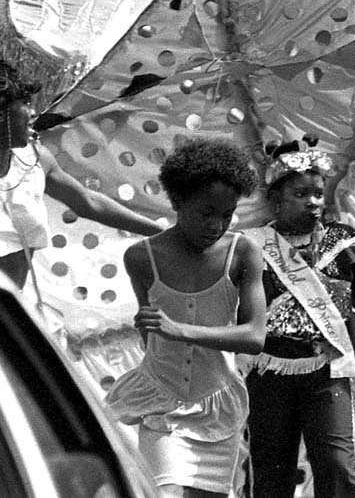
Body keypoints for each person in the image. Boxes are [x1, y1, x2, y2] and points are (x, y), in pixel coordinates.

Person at [245, 138, 355, 498]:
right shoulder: (250, 245)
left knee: (338, 465)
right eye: (300, 193)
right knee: (270, 469)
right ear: (276, 197)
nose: (313, 202)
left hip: (327, 371)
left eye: (318, 193)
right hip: (268, 372)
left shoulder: (346, 242)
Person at [104, 137, 268, 498]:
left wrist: (180, 330)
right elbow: (153, 336)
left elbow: (256, 336)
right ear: (178, 202)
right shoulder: (141, 257)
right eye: (206, 213)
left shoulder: (243, 251)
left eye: (227, 214)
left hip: (217, 407)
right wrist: (156, 329)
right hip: (161, 400)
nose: (217, 225)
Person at [0, 55, 161, 286]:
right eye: (25, 104)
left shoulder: (34, 160)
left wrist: (160, 232)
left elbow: (90, 203)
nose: (32, 113)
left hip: (15, 311)